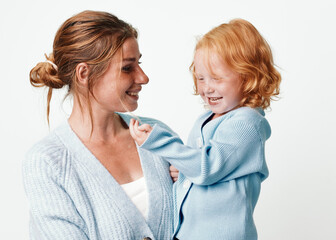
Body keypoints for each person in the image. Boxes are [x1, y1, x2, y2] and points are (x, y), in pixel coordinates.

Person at [23, 10, 175, 240]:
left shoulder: (157, 135)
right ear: (84, 73)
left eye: (139, 64)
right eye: (127, 67)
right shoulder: (47, 163)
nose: (143, 77)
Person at [130, 19, 281, 240]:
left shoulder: (247, 123)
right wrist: (183, 172)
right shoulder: (205, 119)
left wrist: (158, 141)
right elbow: (201, 170)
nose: (207, 87)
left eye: (217, 79)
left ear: (249, 76)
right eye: (201, 78)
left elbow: (207, 167)